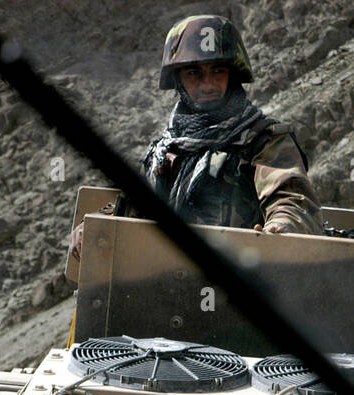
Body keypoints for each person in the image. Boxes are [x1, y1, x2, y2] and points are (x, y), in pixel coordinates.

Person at [69, 14, 321, 262]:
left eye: (218, 71)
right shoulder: (166, 149)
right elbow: (135, 211)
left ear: (233, 74)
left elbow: (291, 198)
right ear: (178, 79)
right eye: (194, 73)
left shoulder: (263, 141)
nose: (207, 84)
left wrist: (281, 228)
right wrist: (96, 224)